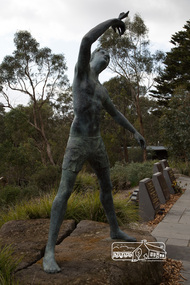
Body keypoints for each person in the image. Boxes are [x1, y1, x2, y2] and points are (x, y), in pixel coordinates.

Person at [43, 12, 146, 273]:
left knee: (107, 187)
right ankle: (49, 252)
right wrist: (111, 21)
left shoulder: (102, 90)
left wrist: (134, 131)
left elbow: (115, 114)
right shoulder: (81, 73)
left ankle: (114, 230)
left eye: (110, 57)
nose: (107, 58)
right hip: (77, 142)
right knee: (64, 191)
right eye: (104, 54)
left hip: (96, 142)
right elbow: (86, 39)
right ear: (93, 56)